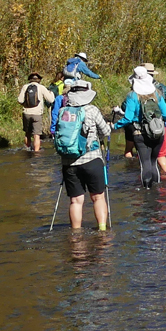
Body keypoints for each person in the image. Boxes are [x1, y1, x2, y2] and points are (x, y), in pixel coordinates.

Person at [52, 80, 112, 230]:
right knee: (98, 197)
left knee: (75, 201)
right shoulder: (91, 110)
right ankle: (103, 230)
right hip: (91, 159)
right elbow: (106, 132)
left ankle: (76, 234)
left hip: (68, 163)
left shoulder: (62, 111)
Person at [110, 66, 166, 187]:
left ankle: (147, 192)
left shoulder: (132, 96)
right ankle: (157, 190)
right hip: (158, 133)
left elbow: (127, 118)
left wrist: (114, 126)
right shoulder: (157, 94)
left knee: (145, 163)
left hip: (140, 134)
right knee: (153, 163)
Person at [141, 63, 166, 174]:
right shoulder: (161, 87)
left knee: (146, 155)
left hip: (144, 126)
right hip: (160, 125)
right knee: (161, 154)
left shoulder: (137, 89)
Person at [18, 72, 57, 153]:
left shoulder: (25, 87)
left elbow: (20, 100)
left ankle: (28, 150)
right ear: (39, 80)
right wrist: (51, 93)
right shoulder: (41, 87)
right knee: (36, 135)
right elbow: (51, 100)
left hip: (26, 113)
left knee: (27, 134)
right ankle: (36, 154)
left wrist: (25, 104)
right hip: (37, 114)